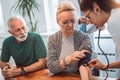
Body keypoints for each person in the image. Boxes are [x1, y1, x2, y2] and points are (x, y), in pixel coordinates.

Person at [47, 1, 93, 80]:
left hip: (76, 77)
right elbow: (51, 67)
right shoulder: (53, 39)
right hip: (59, 77)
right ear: (58, 22)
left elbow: (84, 64)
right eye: (65, 22)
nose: (70, 25)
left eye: (73, 21)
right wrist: (69, 58)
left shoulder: (83, 37)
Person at [79, 0, 120, 73]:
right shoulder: (116, 14)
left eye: (89, 17)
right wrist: (105, 66)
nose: (90, 22)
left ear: (96, 9)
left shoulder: (114, 20)